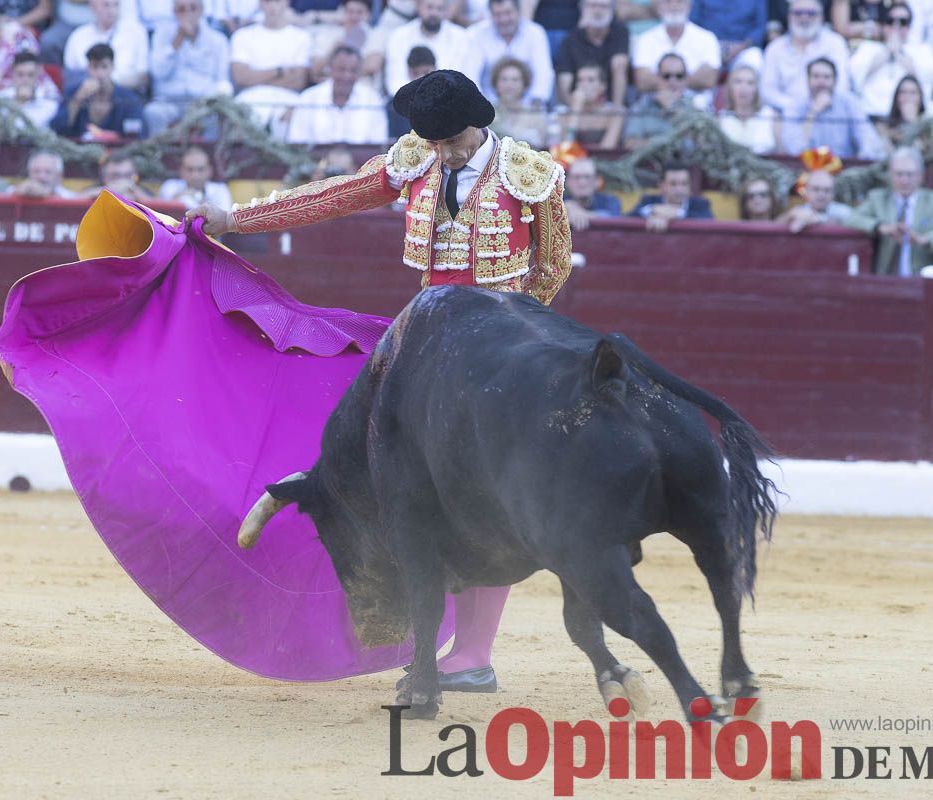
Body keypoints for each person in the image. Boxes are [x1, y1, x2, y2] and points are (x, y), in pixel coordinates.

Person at [183, 70, 572, 693]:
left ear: (477, 125)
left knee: (487, 500)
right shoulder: (417, 157)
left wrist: (513, 340)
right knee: (418, 485)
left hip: (500, 352)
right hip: (427, 343)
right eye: (434, 144)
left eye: (450, 143)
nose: (441, 154)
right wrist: (235, 219)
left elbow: (551, 267)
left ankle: (473, 653)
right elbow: (336, 195)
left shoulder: (530, 174)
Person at [842, 146, 933, 275]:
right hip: (884, 278)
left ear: (920, 176)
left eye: (909, 174)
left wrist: (927, 239)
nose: (904, 180)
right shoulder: (877, 198)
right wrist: (880, 227)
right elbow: (851, 219)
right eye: (899, 174)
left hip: (921, 279)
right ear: (890, 175)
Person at [145, 0, 233, 135]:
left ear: (201, 10)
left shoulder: (217, 40)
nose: (187, 14)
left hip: (204, 102)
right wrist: (176, 42)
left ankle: (211, 155)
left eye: (192, 8)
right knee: (153, 112)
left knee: (216, 112)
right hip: (169, 102)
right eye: (181, 9)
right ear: (174, 12)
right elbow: (157, 72)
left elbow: (223, 81)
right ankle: (159, 155)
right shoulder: (161, 35)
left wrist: (207, 101)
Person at [230, 0, 312, 132]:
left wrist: (255, 76)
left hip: (288, 100)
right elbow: (241, 78)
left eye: (277, 1)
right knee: (235, 114)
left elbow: (298, 81)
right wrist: (279, 71)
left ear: (286, 3)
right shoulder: (242, 36)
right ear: (260, 4)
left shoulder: (302, 36)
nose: (273, 6)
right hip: (249, 99)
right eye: (268, 1)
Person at [847, 2, 933, 119]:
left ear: (909, 26)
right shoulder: (868, 48)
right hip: (871, 114)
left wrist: (899, 54)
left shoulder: (923, 50)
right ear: (883, 25)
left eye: (902, 22)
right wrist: (886, 51)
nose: (896, 26)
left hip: (910, 116)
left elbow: (924, 83)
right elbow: (856, 76)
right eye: (890, 21)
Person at [782, 56, 883, 160]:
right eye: (816, 76)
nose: (821, 81)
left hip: (844, 168)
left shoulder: (849, 103)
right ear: (808, 80)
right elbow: (794, 149)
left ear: (835, 81)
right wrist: (812, 113)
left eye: (826, 77)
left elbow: (867, 138)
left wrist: (863, 162)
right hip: (805, 170)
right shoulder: (795, 105)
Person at [760, 0, 851, 114]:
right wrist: (795, 106)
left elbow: (842, 86)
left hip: (827, 110)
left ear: (821, 16)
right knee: (767, 113)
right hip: (786, 112)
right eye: (798, 13)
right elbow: (768, 91)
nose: (804, 17)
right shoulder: (775, 48)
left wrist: (818, 106)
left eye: (811, 13)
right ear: (789, 16)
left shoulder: (835, 43)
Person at [286, 46, 388, 144]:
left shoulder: (373, 99)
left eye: (353, 71)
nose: (347, 76)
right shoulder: (308, 98)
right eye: (341, 69)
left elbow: (378, 146)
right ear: (330, 69)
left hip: (361, 162)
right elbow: (297, 143)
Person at [384, 0, 480, 94]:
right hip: (410, 103)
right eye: (429, 7)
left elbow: (469, 80)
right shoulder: (399, 36)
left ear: (446, 10)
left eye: (439, 8)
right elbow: (395, 84)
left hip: (451, 102)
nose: (434, 13)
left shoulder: (461, 38)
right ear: (418, 6)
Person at [469, 0, 555, 105]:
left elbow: (543, 73)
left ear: (518, 11)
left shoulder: (535, 33)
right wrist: (481, 108)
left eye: (508, 13)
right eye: (497, 14)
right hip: (487, 107)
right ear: (490, 14)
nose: (503, 19)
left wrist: (534, 106)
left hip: (527, 107)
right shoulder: (476, 34)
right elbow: (471, 74)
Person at [52, 43, 146, 139]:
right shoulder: (72, 93)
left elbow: (137, 136)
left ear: (112, 67)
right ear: (88, 68)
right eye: (95, 67)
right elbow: (58, 130)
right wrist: (78, 99)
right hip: (78, 150)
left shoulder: (129, 99)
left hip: (118, 151)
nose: (100, 74)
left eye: (104, 67)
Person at [631, 0, 721, 94]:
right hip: (654, 105)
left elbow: (709, 79)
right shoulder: (645, 39)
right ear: (658, 7)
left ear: (689, 5)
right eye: (667, 2)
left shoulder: (707, 38)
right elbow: (642, 81)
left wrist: (664, 82)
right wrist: (685, 81)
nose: (674, 6)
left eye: (679, 1)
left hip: (697, 105)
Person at [553, 0, 630, 107]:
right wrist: (574, 108)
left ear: (612, 10)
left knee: (620, 63)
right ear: (583, 9)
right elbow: (565, 80)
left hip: (609, 103)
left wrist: (617, 107)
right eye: (592, 6)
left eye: (604, 7)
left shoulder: (620, 32)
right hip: (578, 101)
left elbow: (620, 66)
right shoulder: (570, 40)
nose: (598, 11)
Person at [64, 0, 151, 93]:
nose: (112, 10)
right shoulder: (78, 35)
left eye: (116, 4)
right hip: (87, 96)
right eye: (106, 5)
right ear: (92, 7)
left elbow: (143, 76)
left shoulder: (136, 32)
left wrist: (108, 84)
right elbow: (70, 75)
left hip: (124, 96)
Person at [623, 53, 700, 149]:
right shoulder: (641, 107)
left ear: (685, 80)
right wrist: (668, 144)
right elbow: (630, 144)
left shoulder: (696, 108)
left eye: (679, 76)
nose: (673, 82)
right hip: (648, 163)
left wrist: (672, 110)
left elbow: (698, 145)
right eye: (666, 76)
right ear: (657, 78)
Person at [629, 161, 713, 231]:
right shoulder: (649, 201)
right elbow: (627, 219)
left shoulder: (701, 204)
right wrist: (653, 210)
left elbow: (710, 222)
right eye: (673, 184)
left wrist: (677, 213)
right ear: (662, 186)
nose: (679, 189)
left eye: (684, 184)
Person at [717, 64, 782, 154]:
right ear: (730, 87)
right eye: (738, 82)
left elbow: (782, 154)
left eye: (750, 83)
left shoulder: (771, 116)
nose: (743, 88)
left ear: (756, 89)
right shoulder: (721, 118)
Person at [558, 63, 624, 148]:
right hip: (572, 160)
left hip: (601, 160)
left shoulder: (615, 115)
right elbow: (565, 147)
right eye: (580, 80)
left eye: (591, 80)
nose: (584, 85)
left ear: (602, 86)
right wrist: (575, 109)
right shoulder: (565, 115)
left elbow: (606, 149)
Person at [688, 0, 766, 70]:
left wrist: (740, 47)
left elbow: (760, 27)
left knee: (754, 59)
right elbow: (693, 24)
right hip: (708, 45)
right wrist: (712, 45)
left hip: (741, 47)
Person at [489, 57, 550, 146]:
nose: (509, 85)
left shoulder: (536, 115)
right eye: (504, 79)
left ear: (524, 84)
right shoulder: (488, 113)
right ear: (495, 83)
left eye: (515, 80)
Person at [0, 52, 60, 129]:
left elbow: (28, 130)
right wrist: (18, 102)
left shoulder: (48, 102)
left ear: (38, 75)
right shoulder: (0, 98)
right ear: (12, 75)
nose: (25, 80)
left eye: (30, 75)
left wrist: (21, 102)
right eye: (20, 74)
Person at [778, 168, 852, 231]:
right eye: (816, 189)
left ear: (833, 194)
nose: (822, 194)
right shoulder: (798, 212)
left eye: (827, 190)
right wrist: (790, 215)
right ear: (806, 191)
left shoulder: (845, 212)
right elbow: (775, 227)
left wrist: (820, 220)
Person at [158, 146, 233, 208]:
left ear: (209, 171)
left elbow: (224, 219)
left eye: (200, 169)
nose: (195, 176)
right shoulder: (170, 186)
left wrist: (195, 197)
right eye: (190, 170)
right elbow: (165, 213)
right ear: (181, 171)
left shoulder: (220, 190)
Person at [387, 46, 438, 136]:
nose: (421, 78)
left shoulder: (448, 102)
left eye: (426, 72)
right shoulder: (395, 106)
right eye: (415, 73)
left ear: (435, 70)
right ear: (408, 72)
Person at [562, 155, 620, 229]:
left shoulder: (610, 200)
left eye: (587, 177)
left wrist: (580, 213)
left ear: (597, 181)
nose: (582, 182)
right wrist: (566, 207)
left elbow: (614, 218)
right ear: (568, 182)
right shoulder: (560, 200)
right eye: (576, 177)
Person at [876, 75, 926, 151]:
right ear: (896, 97)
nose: (908, 97)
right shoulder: (883, 126)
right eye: (903, 92)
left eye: (913, 93)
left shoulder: (929, 126)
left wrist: (912, 121)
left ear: (920, 98)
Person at [80, 151, 156, 200]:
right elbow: (73, 205)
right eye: (115, 176)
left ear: (135, 175)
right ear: (104, 176)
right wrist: (104, 191)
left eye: (127, 176)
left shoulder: (142, 191)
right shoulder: (94, 190)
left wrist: (135, 192)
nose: (121, 181)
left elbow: (158, 211)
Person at [11, 149, 79, 199]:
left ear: (59, 175)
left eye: (48, 172)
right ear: (29, 173)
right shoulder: (16, 191)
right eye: (36, 171)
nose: (41, 176)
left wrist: (49, 194)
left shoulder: (71, 197)